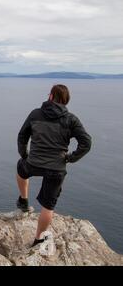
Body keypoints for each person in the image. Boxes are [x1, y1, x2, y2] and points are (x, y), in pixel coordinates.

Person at [16, 84, 92, 247]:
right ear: (66, 100)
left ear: (50, 96)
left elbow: (22, 135)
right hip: (56, 168)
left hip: (33, 163)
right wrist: (70, 158)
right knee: (48, 206)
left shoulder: (35, 114)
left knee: (21, 168)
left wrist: (24, 154)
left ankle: (23, 200)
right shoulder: (71, 119)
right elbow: (86, 143)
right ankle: (38, 239)